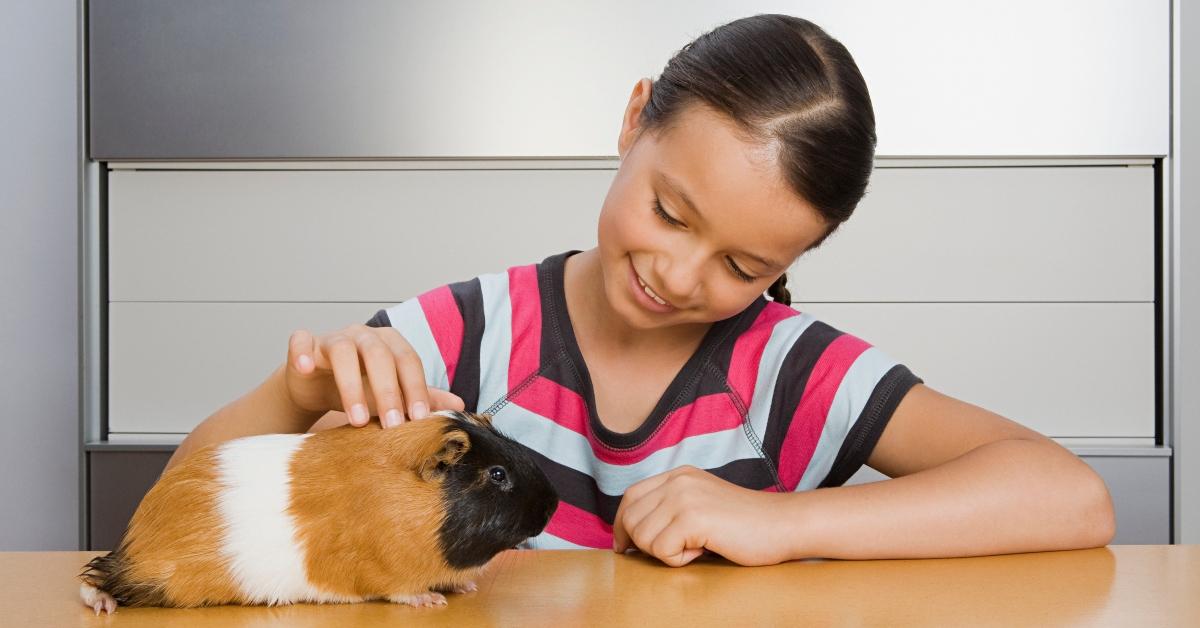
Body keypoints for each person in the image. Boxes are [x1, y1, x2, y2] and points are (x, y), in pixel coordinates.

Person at [165, 14, 1115, 567]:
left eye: (745, 269)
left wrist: (782, 522)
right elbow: (181, 506)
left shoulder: (787, 370)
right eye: (669, 211)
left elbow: (1071, 498)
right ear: (633, 121)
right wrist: (295, 396)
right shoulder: (463, 335)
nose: (679, 276)